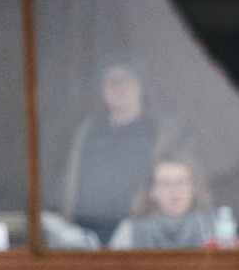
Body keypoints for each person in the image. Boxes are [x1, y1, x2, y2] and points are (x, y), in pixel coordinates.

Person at [60, 61, 189, 244]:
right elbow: (69, 185)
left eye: (126, 80)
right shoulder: (87, 133)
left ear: (140, 87)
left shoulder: (158, 134)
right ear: (102, 90)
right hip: (85, 238)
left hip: (139, 239)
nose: (118, 88)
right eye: (111, 81)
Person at [110, 155, 212, 251]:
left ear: (194, 188)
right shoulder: (130, 230)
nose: (174, 190)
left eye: (181, 182)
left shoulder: (214, 227)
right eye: (165, 184)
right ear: (152, 191)